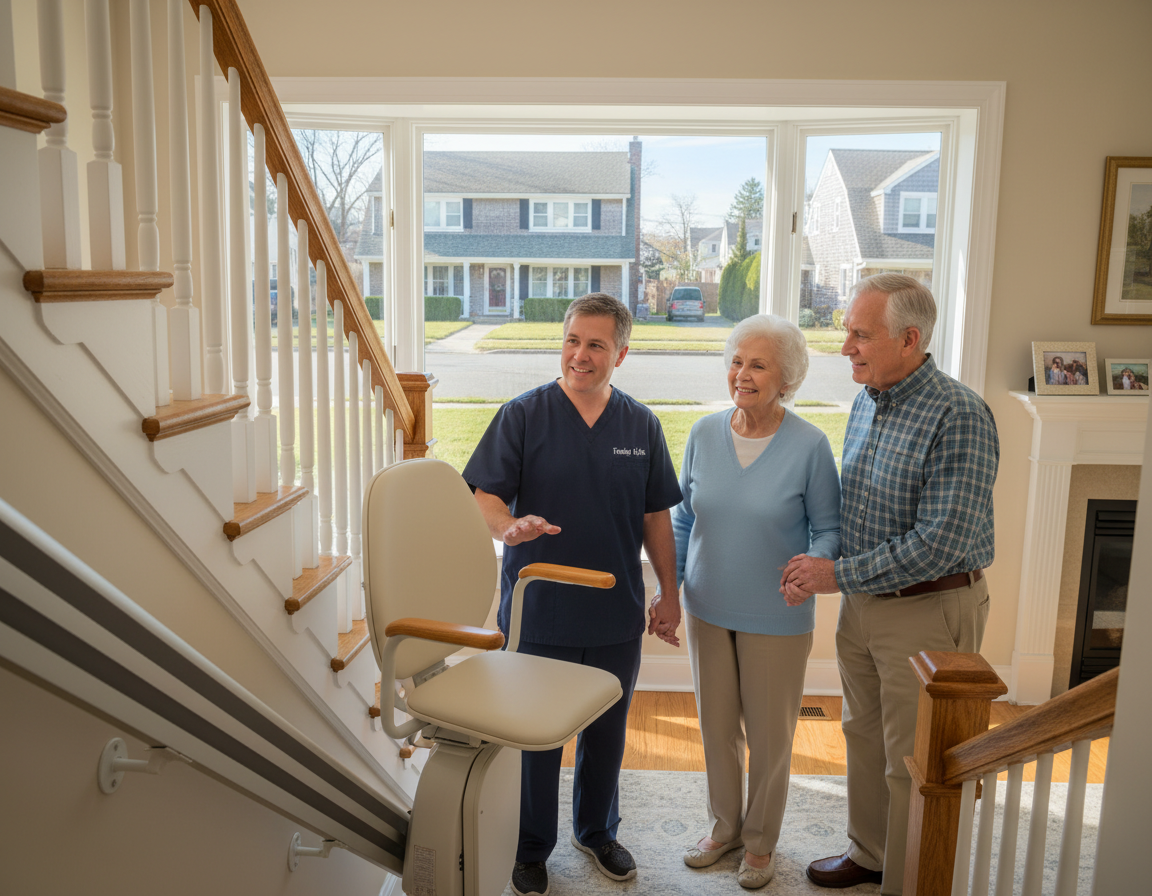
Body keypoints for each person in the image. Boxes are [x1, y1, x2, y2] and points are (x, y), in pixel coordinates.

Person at [781, 274, 999, 894]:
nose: (845, 345)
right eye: (847, 331)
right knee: (864, 735)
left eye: (859, 334)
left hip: (929, 608)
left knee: (917, 760)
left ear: (909, 339)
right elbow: (857, 509)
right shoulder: (868, 400)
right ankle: (871, 854)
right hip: (865, 603)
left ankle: (911, 877)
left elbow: (941, 543)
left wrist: (835, 574)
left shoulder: (960, 413)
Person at [462, 293, 683, 896]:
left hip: (613, 609)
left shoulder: (640, 425)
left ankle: (596, 830)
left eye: (595, 345)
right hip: (540, 610)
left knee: (607, 731)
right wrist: (507, 527)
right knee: (536, 737)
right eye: (571, 341)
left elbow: (655, 515)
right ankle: (531, 846)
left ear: (621, 352)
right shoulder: (524, 415)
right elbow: (483, 495)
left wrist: (669, 592)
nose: (579, 355)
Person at [673, 314, 841, 889]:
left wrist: (809, 569)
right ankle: (724, 829)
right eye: (737, 361)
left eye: (759, 364)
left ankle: (761, 842)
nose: (742, 374)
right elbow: (682, 519)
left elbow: (829, 531)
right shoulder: (702, 435)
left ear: (787, 378)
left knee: (771, 737)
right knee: (716, 728)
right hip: (706, 604)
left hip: (777, 612)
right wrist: (670, 590)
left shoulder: (810, 446)